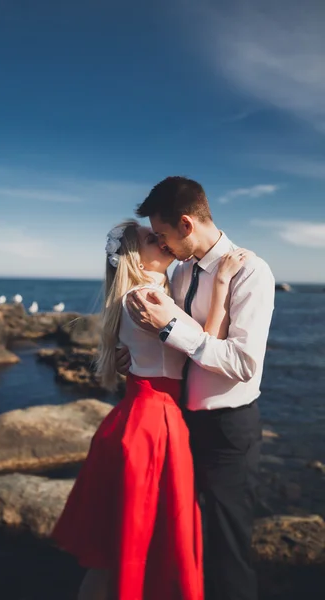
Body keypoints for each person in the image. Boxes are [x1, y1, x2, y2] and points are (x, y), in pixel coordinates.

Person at [51, 218, 251, 600]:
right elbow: (205, 343)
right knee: (133, 544)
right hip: (154, 423)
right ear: (136, 259)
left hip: (140, 416)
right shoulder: (148, 298)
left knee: (117, 548)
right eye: (150, 239)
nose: (161, 240)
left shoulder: (146, 292)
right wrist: (223, 281)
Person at [117, 177, 275, 600]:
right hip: (179, 426)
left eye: (165, 234)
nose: (163, 245)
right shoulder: (181, 269)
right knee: (184, 543)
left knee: (228, 550)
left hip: (227, 432)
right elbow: (189, 341)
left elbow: (243, 363)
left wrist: (169, 328)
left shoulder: (251, 272)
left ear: (186, 224)